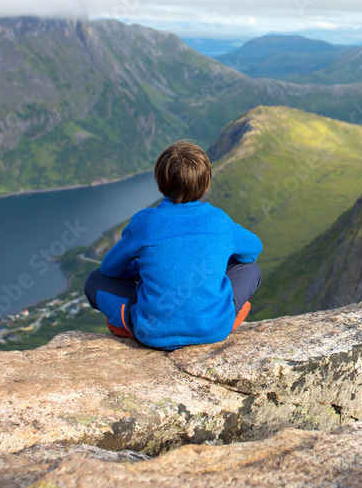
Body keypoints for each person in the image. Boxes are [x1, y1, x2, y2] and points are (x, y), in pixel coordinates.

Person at [83, 140, 263, 350]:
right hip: (214, 329)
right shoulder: (219, 220)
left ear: (160, 184)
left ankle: (127, 321)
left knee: (94, 281)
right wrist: (214, 260)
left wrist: (143, 269)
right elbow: (253, 250)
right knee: (251, 269)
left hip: (151, 333)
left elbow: (109, 269)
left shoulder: (146, 222)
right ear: (206, 185)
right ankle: (228, 312)